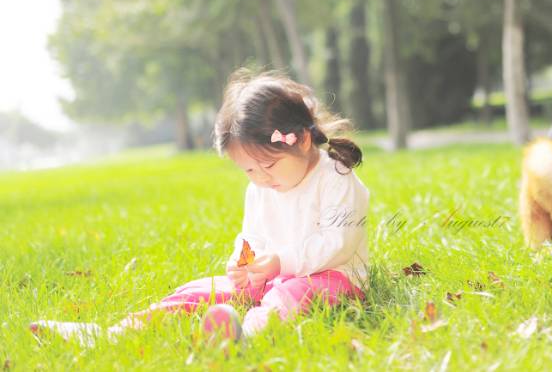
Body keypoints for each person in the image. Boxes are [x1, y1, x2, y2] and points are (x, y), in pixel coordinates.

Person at [31, 68, 369, 345]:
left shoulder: (335, 176)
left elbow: (339, 243)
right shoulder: (260, 188)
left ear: (303, 141)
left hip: (332, 277)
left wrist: (282, 262)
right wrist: (243, 260)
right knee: (202, 291)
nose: (262, 178)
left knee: (288, 297)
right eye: (249, 170)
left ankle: (244, 336)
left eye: (269, 165)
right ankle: (115, 333)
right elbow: (254, 235)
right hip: (275, 274)